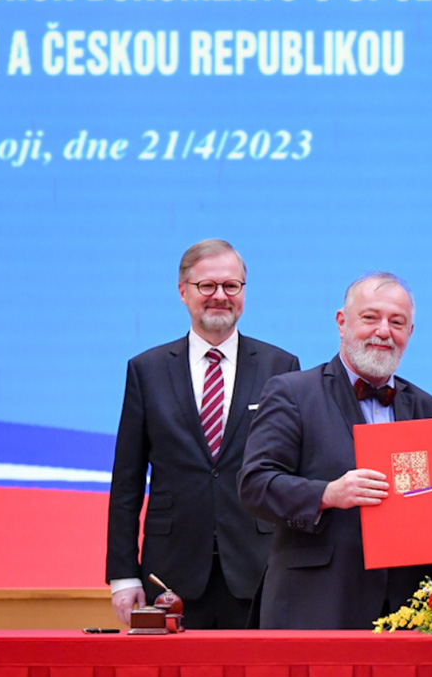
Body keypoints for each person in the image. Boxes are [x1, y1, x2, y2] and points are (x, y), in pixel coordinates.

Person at [240, 272, 432, 629]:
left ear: (410, 333)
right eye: (370, 317)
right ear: (341, 322)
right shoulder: (292, 393)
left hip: (409, 609)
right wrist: (328, 493)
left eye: (397, 322)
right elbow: (255, 485)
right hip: (315, 606)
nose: (383, 331)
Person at [106, 239, 301, 629]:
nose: (220, 296)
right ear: (183, 292)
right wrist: (123, 576)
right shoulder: (147, 370)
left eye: (231, 286)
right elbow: (127, 481)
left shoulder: (281, 367)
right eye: (207, 286)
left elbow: (294, 475)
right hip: (169, 576)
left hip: (259, 570)